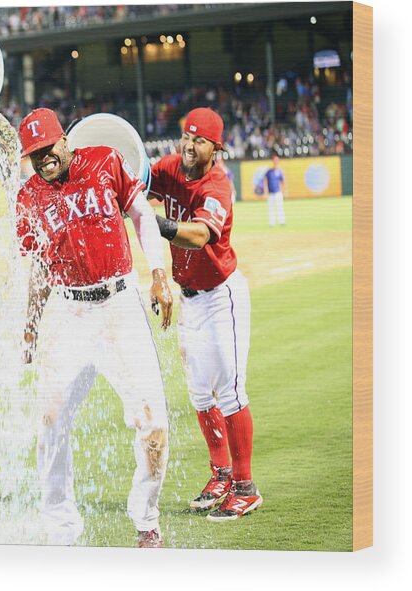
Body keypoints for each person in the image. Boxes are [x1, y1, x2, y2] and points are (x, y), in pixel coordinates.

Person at [16, 108, 173, 548]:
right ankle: (60, 530)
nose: (43, 159)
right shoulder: (28, 195)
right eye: (33, 154)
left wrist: (158, 274)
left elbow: (142, 216)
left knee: (153, 423)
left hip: (119, 306)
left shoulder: (104, 160)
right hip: (69, 314)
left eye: (48, 148)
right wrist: (30, 325)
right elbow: (40, 266)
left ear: (65, 139)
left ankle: (146, 522)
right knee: (49, 419)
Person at [150, 107, 262, 521]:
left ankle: (246, 487)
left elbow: (198, 235)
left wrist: (156, 223)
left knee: (230, 390)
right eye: (186, 136)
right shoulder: (171, 166)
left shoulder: (217, 183)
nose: (189, 145)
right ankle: (221, 474)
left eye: (199, 140)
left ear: (216, 148)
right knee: (200, 392)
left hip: (221, 297)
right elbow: (138, 183)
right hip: (190, 298)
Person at [263, 155, 286, 226]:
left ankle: (282, 221)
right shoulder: (269, 171)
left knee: (280, 207)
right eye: (274, 160)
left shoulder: (280, 171)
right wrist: (265, 190)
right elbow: (265, 180)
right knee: (271, 208)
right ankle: (272, 222)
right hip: (271, 193)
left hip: (278, 192)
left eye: (277, 160)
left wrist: (283, 191)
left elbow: (283, 181)